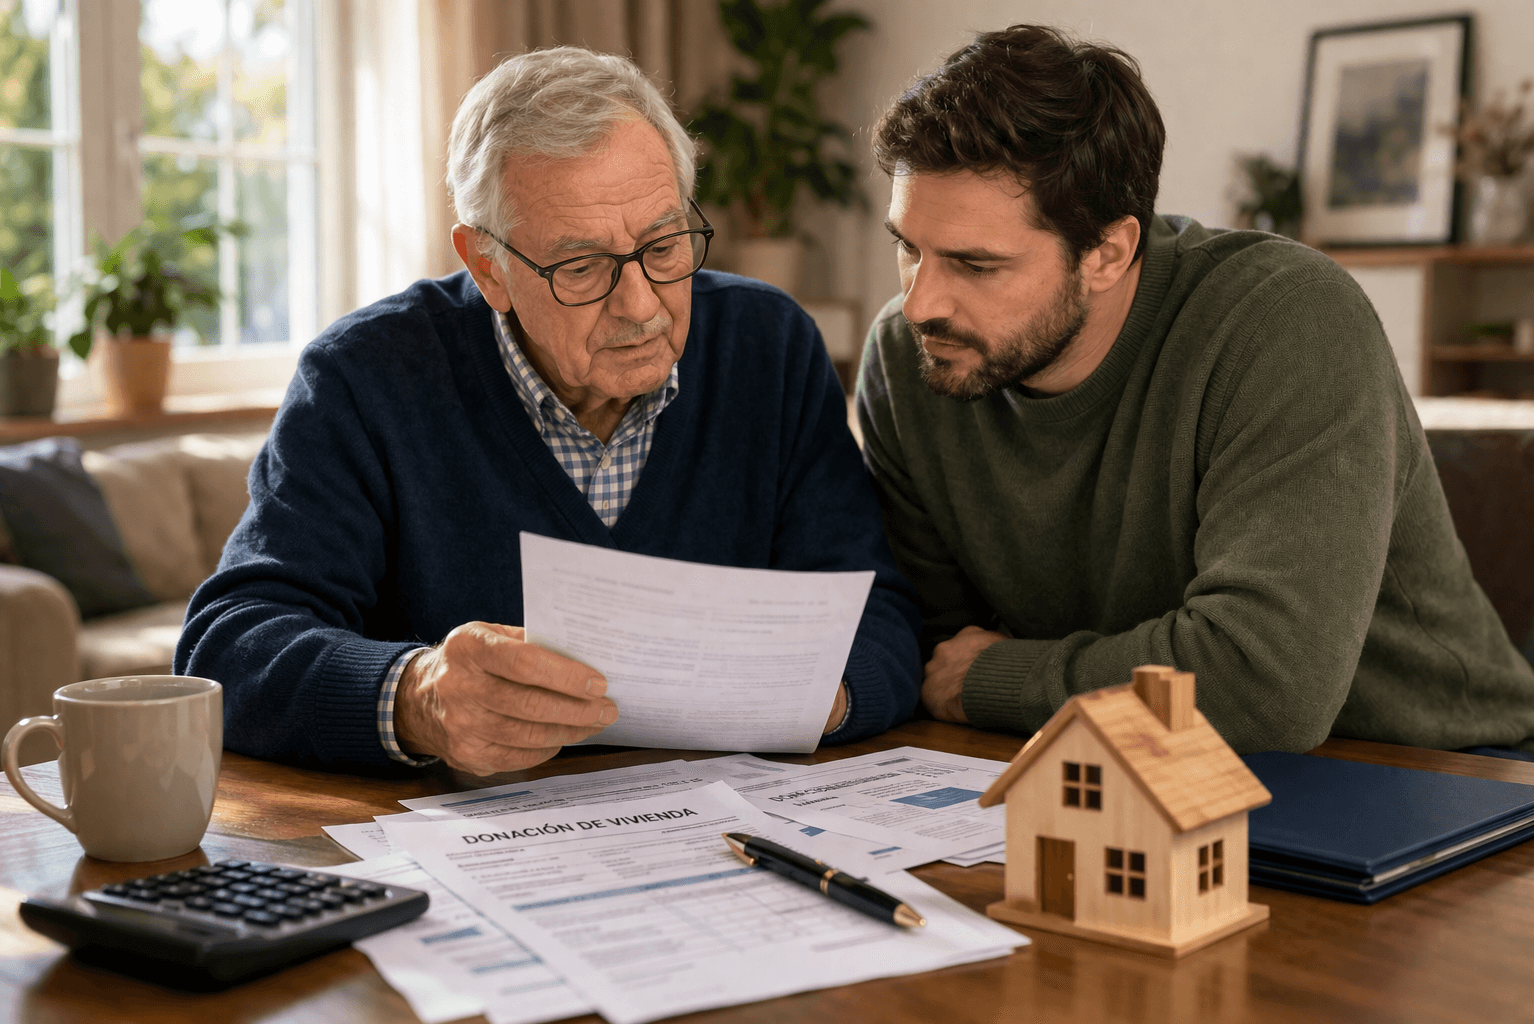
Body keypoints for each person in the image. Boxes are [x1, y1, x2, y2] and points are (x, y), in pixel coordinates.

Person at [176, 47, 920, 774]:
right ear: (487, 267)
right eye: (581, 267)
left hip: (730, 828)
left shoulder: (769, 346)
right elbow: (227, 646)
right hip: (465, 847)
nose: (640, 305)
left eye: (663, 244)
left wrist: (821, 695)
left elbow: (877, 616)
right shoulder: (365, 376)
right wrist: (417, 698)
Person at [856, 24, 1534, 755]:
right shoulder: (910, 359)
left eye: (975, 264)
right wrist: (992, 677)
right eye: (907, 247)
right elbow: (945, 654)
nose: (922, 303)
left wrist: (1004, 678)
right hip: (1112, 752)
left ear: (1109, 253)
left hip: (1429, 771)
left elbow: (1267, 690)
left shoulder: (1287, 324)